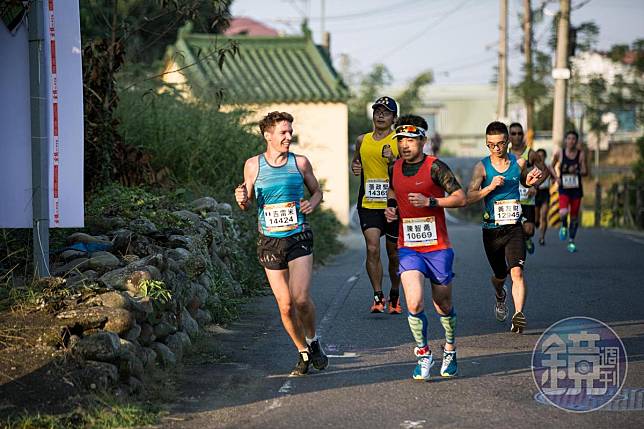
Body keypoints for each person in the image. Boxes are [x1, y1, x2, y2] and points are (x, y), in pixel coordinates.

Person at [235, 111, 328, 376]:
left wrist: (313, 202)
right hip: (269, 242)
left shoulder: (300, 163)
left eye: (290, 131)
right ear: (268, 135)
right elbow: (246, 203)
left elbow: (317, 191)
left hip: (298, 236)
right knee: (285, 305)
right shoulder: (253, 165)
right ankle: (302, 352)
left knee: (300, 298)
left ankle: (313, 341)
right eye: (283, 132)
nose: (289, 136)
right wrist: (241, 198)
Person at [385, 115, 466, 380]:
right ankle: (423, 353)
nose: (405, 145)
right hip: (408, 246)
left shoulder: (435, 167)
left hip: (438, 247)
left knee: (443, 303)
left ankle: (451, 347)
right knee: (415, 300)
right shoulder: (394, 167)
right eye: (401, 140)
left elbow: (460, 197)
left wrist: (431, 202)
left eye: (410, 140)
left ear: (423, 140)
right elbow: (393, 191)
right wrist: (392, 209)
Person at [466, 121, 543, 334]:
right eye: (491, 145)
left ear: (508, 142)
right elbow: (469, 196)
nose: (496, 148)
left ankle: (518, 315)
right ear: (486, 144)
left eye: (500, 144)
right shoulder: (481, 167)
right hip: (491, 229)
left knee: (516, 272)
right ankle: (500, 294)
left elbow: (525, 181)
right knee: (499, 275)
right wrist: (490, 187)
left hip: (513, 227)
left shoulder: (518, 163)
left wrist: (528, 181)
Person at [351, 96, 402, 314]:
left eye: (386, 112)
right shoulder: (362, 140)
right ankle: (378, 295)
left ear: (394, 118)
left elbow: (406, 170)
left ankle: (395, 294)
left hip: (393, 204)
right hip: (369, 202)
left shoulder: (400, 142)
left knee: (393, 254)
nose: (380, 115)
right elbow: (357, 161)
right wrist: (355, 167)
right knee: (372, 248)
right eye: (377, 111)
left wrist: (393, 160)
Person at [508, 123, 550, 254]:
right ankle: (515, 260)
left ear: (523, 135)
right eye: (513, 133)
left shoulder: (530, 153)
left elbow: (546, 171)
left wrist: (535, 185)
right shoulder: (504, 154)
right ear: (509, 136)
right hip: (510, 199)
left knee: (529, 230)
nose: (517, 136)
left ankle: (526, 239)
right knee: (511, 231)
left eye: (519, 133)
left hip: (527, 198)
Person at [551, 131, 588, 253]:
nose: (571, 141)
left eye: (573, 139)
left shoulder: (581, 155)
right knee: (563, 212)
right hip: (564, 188)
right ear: (565, 140)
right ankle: (563, 225)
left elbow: (585, 171)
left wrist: (577, 171)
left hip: (576, 190)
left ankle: (571, 241)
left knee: (574, 218)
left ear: (576, 141)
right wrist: (556, 178)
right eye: (569, 138)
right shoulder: (560, 153)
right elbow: (551, 166)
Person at [534, 148, 556, 246]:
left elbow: (554, 177)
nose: (540, 158)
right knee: (536, 218)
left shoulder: (548, 167)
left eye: (542, 156)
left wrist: (554, 180)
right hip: (535, 193)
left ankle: (542, 237)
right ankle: (536, 222)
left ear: (545, 157)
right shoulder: (532, 168)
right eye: (538, 156)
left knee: (544, 216)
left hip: (545, 192)